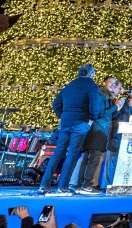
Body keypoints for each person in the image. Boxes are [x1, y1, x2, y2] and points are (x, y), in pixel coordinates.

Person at [38, 63, 104, 195]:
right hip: (80, 123)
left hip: (66, 123)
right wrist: (91, 119)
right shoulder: (92, 86)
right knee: (72, 155)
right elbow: (95, 106)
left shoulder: (69, 85)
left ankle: (44, 185)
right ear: (91, 74)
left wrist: (63, 116)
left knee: (58, 153)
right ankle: (62, 186)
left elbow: (56, 104)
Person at [76, 75, 122, 193]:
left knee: (88, 158)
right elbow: (100, 113)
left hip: (100, 130)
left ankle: (80, 185)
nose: (113, 84)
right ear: (103, 83)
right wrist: (114, 107)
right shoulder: (100, 95)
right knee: (93, 159)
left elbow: (109, 116)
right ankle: (86, 185)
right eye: (110, 82)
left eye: (114, 83)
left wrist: (117, 108)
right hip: (97, 131)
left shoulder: (107, 98)